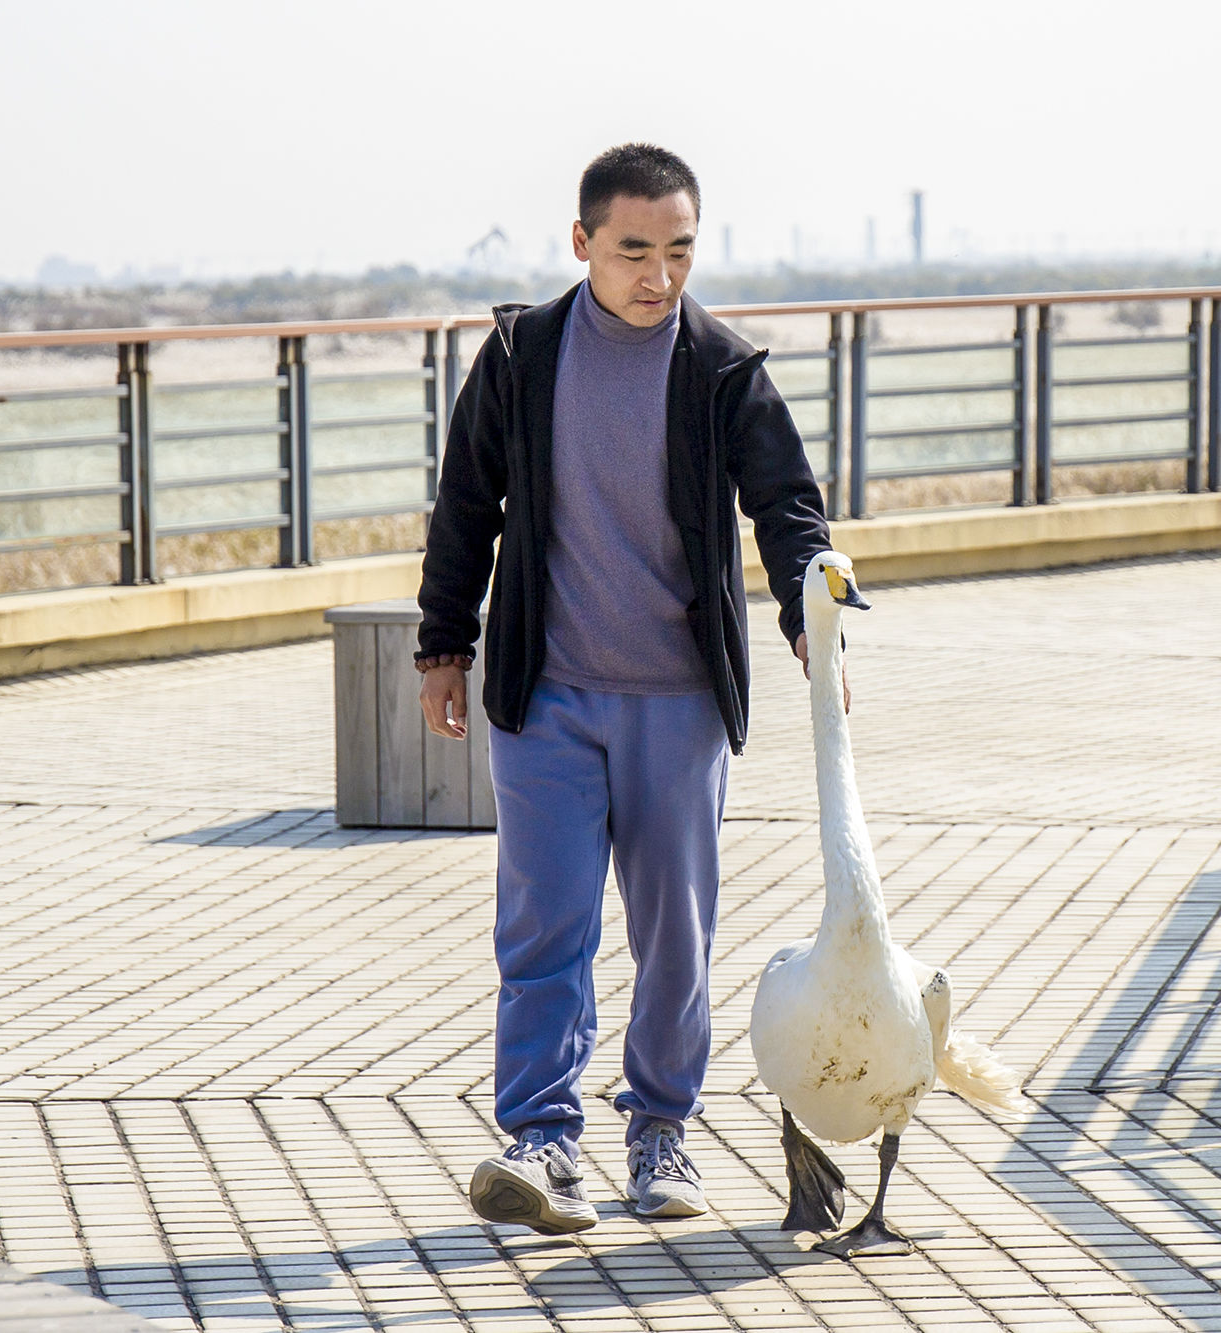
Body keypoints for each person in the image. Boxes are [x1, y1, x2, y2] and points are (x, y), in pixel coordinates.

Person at [413, 143, 835, 1233]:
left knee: (673, 936)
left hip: (676, 703)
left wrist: (806, 614)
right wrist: (440, 646)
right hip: (545, 695)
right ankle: (543, 1139)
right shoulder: (521, 355)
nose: (658, 275)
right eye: (633, 250)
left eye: (679, 250)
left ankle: (659, 1131)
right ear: (582, 244)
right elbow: (468, 506)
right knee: (544, 924)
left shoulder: (722, 367)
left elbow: (786, 505)